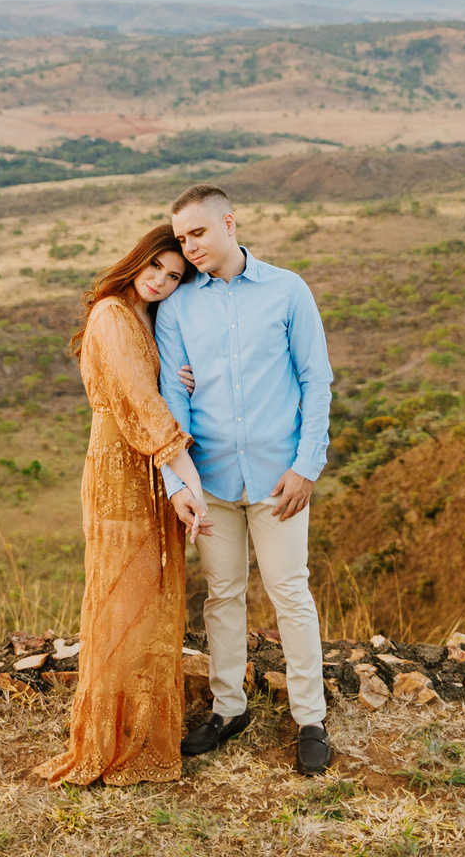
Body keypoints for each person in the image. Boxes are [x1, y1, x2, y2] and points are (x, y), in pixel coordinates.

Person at [154, 184, 335, 777]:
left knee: (290, 594)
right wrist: (179, 485)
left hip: (280, 479)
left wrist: (307, 465)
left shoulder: (287, 290)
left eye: (197, 233)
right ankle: (229, 709)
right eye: (181, 239)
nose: (190, 247)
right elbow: (170, 399)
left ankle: (311, 718)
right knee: (223, 596)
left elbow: (316, 380)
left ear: (228, 223)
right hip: (209, 481)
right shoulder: (178, 307)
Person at [34, 225, 211, 787]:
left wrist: (177, 377)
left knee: (152, 598)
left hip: (150, 468)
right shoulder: (112, 313)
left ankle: (141, 728)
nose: (161, 280)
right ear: (137, 260)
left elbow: (153, 387)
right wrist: (189, 479)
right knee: (119, 595)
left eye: (174, 276)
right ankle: (107, 739)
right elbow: (138, 399)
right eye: (155, 267)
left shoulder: (149, 318)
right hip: (119, 469)